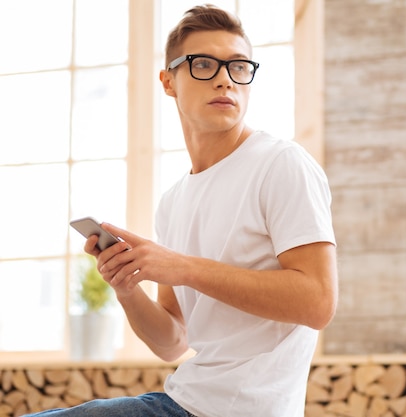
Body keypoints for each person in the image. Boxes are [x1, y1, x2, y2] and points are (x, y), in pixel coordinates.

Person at [26, 4, 337, 417]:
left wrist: (183, 267)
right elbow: (172, 342)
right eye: (205, 64)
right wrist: (127, 287)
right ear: (168, 81)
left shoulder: (281, 164)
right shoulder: (174, 201)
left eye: (239, 67)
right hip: (184, 401)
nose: (226, 79)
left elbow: (318, 302)